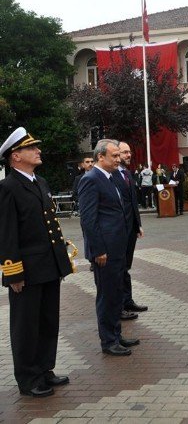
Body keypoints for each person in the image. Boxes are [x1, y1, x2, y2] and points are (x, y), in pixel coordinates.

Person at [0, 127, 73, 398]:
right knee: (26, 325)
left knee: (47, 321)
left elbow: (49, 226)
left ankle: (44, 369)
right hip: (26, 271)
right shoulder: (8, 187)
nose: (38, 151)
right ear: (15, 156)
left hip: (48, 266)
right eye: (32, 148)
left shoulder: (38, 182)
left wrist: (60, 262)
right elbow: (7, 234)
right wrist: (13, 273)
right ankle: (28, 378)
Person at [78, 139, 139, 356]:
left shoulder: (112, 177)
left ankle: (116, 335)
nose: (118, 159)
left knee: (115, 294)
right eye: (114, 155)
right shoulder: (91, 179)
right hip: (104, 251)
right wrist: (98, 250)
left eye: (118, 155)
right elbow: (88, 219)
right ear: (100, 157)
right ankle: (108, 341)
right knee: (107, 295)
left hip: (117, 248)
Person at [113, 142, 147, 319]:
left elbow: (133, 202)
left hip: (130, 228)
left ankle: (128, 301)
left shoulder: (127, 173)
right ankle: (119, 306)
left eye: (129, 151)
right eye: (124, 152)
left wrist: (138, 224)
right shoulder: (111, 175)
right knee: (119, 269)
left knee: (125, 267)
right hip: (119, 229)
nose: (128, 155)